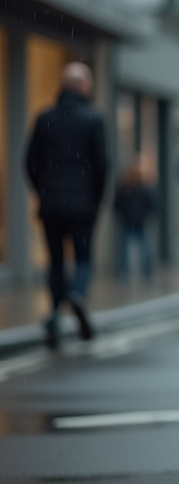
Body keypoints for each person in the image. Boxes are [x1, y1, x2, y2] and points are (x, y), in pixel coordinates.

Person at [24, 62, 108, 349]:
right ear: (84, 86)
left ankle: (56, 317)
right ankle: (77, 294)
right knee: (83, 258)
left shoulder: (44, 118)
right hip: (83, 204)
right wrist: (95, 200)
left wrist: (43, 191)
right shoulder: (93, 119)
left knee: (55, 261)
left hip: (51, 204)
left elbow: (29, 162)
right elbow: (102, 166)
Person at [113, 162, 158, 281]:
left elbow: (151, 204)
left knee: (139, 250)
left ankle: (142, 273)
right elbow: (117, 205)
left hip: (137, 222)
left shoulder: (138, 189)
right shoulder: (125, 189)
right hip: (131, 222)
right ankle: (141, 274)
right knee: (132, 250)